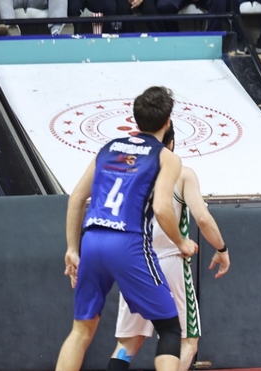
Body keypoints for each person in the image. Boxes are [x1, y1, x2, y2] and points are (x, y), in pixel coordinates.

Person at [54, 87, 197, 371]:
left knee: (81, 331)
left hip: (92, 239)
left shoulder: (108, 149)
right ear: (167, 122)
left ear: (135, 120)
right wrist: (181, 242)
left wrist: (72, 248)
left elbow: (76, 199)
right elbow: (161, 208)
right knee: (169, 329)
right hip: (128, 243)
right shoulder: (166, 157)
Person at [108, 124, 227, 371]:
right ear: (171, 144)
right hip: (169, 263)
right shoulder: (182, 173)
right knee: (186, 340)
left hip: (134, 262)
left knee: (127, 344)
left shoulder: (128, 171)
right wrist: (221, 249)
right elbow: (202, 219)